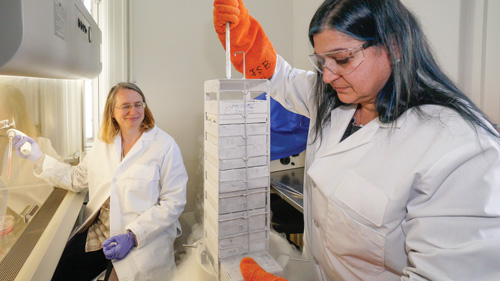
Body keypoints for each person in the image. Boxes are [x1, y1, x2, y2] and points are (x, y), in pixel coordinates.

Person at [213, 0, 500, 280]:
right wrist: (246, 40)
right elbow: (281, 78)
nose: (326, 76)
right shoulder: (335, 98)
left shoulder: (460, 149)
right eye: (322, 61)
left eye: (342, 59)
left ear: (394, 46)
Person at [13, 82, 188, 281]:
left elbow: (173, 202)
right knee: (58, 273)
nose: (134, 111)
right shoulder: (104, 142)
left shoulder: (164, 145)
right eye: (125, 106)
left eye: (139, 105)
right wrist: (37, 157)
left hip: (142, 238)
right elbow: (77, 178)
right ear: (112, 112)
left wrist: (132, 236)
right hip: (101, 232)